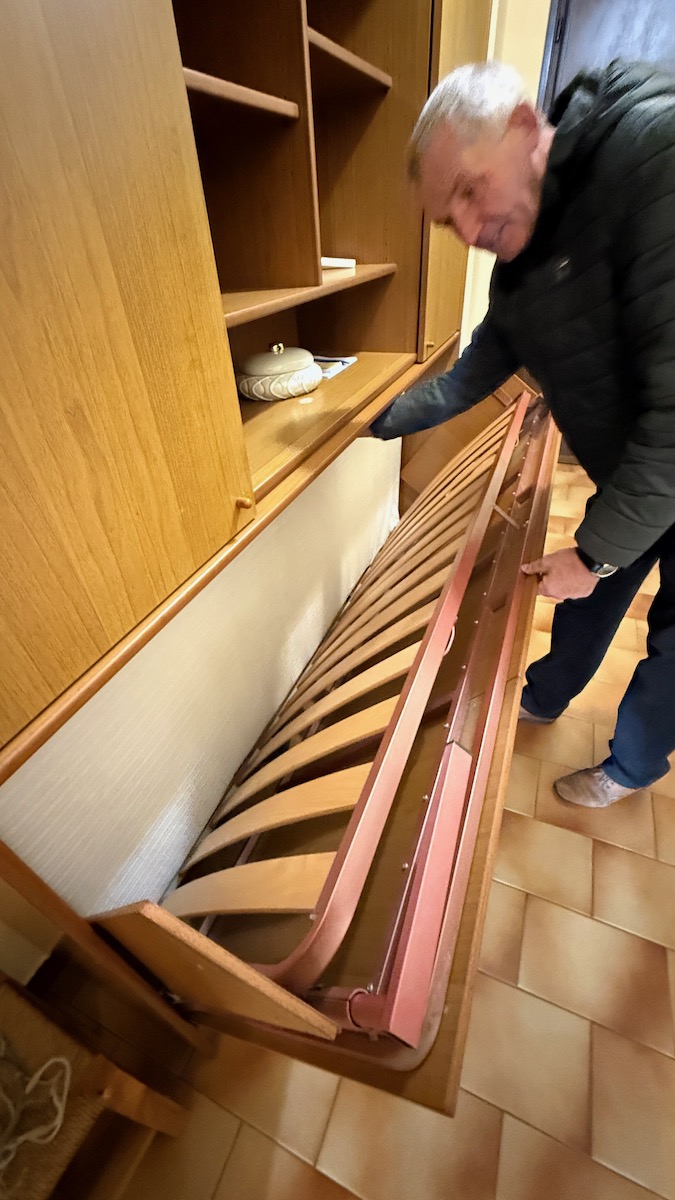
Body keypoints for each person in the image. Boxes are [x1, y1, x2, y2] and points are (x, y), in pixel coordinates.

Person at [370, 59, 675, 808]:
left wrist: (596, 553)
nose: (471, 231)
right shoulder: (519, 270)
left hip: (663, 455)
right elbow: (470, 374)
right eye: (450, 221)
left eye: (470, 192)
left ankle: (631, 766)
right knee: (588, 595)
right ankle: (543, 693)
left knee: (672, 640)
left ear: (523, 126)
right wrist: (372, 421)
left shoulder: (652, 157)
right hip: (635, 472)